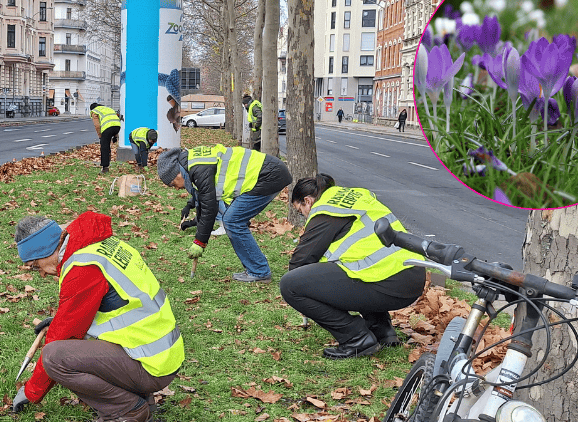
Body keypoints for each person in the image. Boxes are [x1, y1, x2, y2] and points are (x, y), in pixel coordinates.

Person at [10, 212, 184, 422]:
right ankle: (142, 401)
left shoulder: (82, 268)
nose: (42, 274)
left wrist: (31, 392)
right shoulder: (99, 245)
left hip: (151, 365)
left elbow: (63, 337)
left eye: (36, 266)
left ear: (46, 250)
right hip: (160, 354)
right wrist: (57, 322)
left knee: (54, 357)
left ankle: (127, 411)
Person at [279, 173, 427, 359]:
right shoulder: (355, 197)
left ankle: (356, 339)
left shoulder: (325, 210)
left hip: (389, 281)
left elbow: (300, 263)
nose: (304, 217)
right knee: (357, 269)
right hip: (412, 276)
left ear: (308, 201)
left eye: (301, 211)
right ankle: (383, 332)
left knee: (290, 285)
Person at [155, 145, 292, 283]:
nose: (177, 188)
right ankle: (257, 267)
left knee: (232, 221)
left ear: (177, 173)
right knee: (232, 220)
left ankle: (259, 271)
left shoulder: (197, 168)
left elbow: (210, 207)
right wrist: (195, 227)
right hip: (269, 172)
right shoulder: (193, 163)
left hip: (269, 176)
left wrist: (200, 242)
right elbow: (204, 202)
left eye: (173, 184)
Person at [89, 102, 122, 174]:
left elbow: (97, 125)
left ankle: (105, 167)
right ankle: (108, 162)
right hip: (117, 126)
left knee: (104, 147)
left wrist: (100, 136)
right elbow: (113, 121)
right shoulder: (108, 109)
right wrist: (115, 136)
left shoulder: (94, 111)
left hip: (107, 129)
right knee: (107, 147)